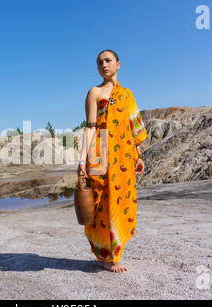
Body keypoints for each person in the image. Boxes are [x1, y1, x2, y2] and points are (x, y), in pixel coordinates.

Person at [77, 49, 147, 273]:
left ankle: (113, 253)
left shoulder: (127, 95)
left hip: (124, 157)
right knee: (99, 205)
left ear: (118, 64)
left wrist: (138, 155)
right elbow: (89, 128)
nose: (103, 65)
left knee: (121, 202)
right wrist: (81, 161)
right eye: (99, 62)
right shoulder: (94, 92)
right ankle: (106, 256)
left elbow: (133, 127)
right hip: (99, 153)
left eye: (108, 61)